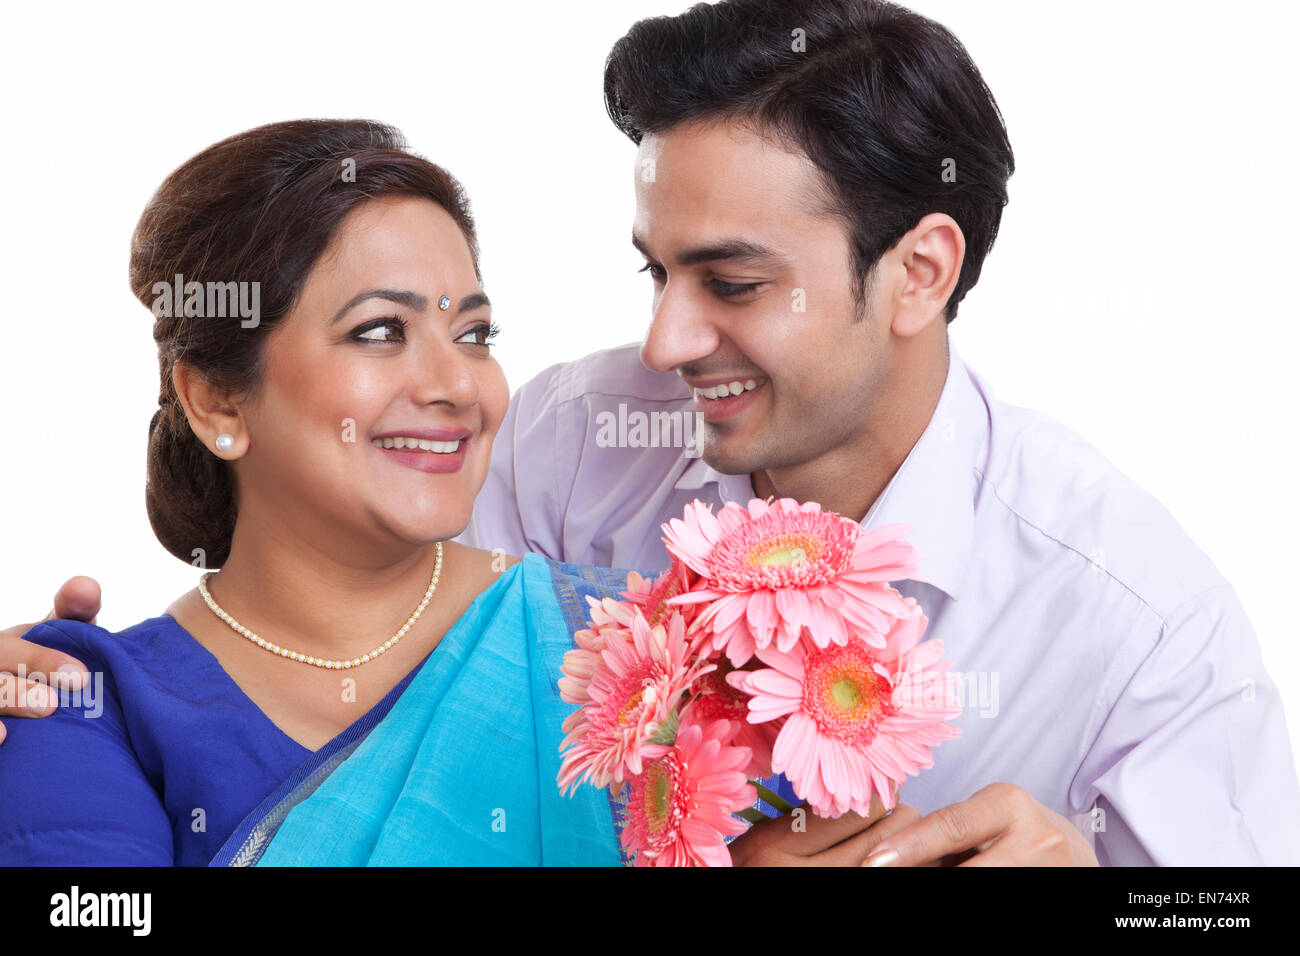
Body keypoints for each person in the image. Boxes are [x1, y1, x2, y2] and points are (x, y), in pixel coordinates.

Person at [5, 0, 1299, 866]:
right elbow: (351, 660)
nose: (671, 343)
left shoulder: (1141, 623)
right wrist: (76, 684)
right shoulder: (574, 441)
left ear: (918, 272)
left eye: (733, 286)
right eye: (653, 274)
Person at [0, 118, 904, 867]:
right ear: (217, 399)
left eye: (475, 333)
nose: (458, 385)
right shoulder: (77, 700)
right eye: (380, 331)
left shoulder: (645, 656)